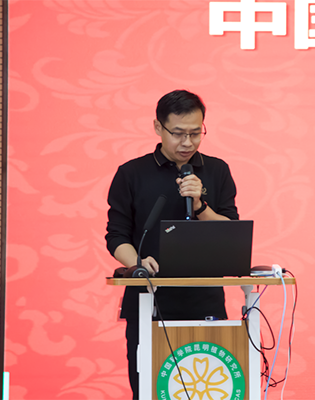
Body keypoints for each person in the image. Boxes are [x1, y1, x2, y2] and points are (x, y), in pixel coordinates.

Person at [105, 89, 239, 399]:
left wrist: (201, 205)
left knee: (207, 387)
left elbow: (230, 231)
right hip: (149, 300)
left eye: (195, 133)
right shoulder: (131, 173)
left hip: (204, 299)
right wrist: (137, 264)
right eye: (178, 133)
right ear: (158, 127)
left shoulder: (217, 170)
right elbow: (116, 235)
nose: (187, 142)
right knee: (152, 388)